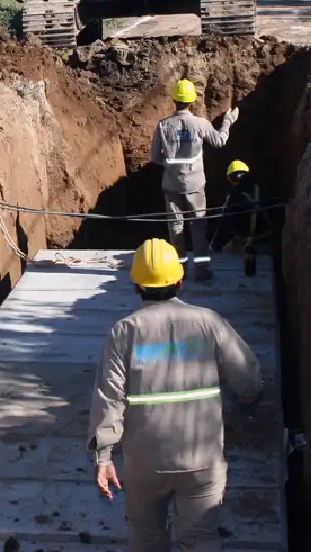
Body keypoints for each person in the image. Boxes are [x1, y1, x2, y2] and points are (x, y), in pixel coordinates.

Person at [87, 238, 263, 552]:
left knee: (146, 538)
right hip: (201, 460)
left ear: (136, 286)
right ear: (180, 282)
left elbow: (109, 398)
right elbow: (248, 378)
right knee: (201, 539)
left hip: (144, 463)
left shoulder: (124, 333)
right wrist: (249, 396)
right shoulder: (209, 323)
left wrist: (104, 457)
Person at [148, 79, 239, 282]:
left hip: (172, 185)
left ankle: (178, 271)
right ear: (191, 101)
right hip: (195, 185)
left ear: (174, 100)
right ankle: (202, 270)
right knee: (198, 227)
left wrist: (171, 166)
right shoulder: (200, 124)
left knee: (176, 228)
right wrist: (228, 121)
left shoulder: (163, 126)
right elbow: (220, 141)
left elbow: (154, 157)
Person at [207, 160, 274, 277]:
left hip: (246, 243)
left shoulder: (234, 197)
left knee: (227, 253)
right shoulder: (263, 189)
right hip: (267, 240)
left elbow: (225, 224)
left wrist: (215, 246)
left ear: (230, 179)